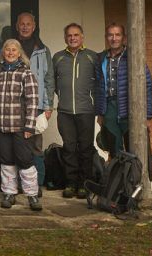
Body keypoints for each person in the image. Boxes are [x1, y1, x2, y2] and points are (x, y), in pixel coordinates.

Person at [53, 23, 103, 199]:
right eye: (69, 35)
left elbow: (99, 83)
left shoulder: (92, 57)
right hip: (65, 111)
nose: (72, 38)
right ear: (65, 38)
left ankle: (84, 183)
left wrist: (97, 107)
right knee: (69, 147)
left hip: (86, 110)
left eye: (76, 35)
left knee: (86, 148)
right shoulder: (58, 57)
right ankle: (70, 183)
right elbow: (53, 83)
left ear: (82, 37)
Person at [0, 39, 42, 211]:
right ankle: (9, 193)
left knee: (25, 160)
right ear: (3, 52)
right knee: (6, 160)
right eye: (7, 50)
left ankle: (32, 194)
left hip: (20, 126)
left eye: (14, 50)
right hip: (2, 126)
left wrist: (30, 126)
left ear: (19, 53)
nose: (10, 53)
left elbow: (32, 101)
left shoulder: (26, 73)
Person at [96, 23, 152, 158]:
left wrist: (148, 116)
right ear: (106, 37)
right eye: (110, 35)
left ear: (124, 38)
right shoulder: (101, 58)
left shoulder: (133, 56)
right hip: (109, 108)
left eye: (118, 35)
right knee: (113, 149)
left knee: (136, 150)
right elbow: (98, 87)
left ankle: (136, 173)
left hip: (130, 107)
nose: (114, 38)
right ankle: (117, 172)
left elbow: (147, 85)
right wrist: (100, 113)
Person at [14, 12, 54, 193]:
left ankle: (37, 184)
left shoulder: (43, 50)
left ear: (34, 26)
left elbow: (49, 79)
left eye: (28, 24)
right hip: (15, 106)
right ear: (17, 26)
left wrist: (48, 105)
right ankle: (18, 184)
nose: (25, 27)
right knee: (17, 145)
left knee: (36, 146)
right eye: (22, 24)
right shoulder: (11, 47)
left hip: (36, 106)